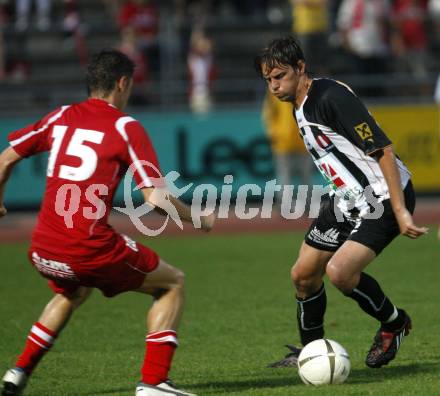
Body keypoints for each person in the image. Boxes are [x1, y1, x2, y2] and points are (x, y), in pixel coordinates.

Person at [0, 49, 214, 396]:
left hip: (42, 247)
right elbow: (156, 199)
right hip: (88, 247)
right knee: (172, 283)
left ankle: (18, 371)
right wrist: (198, 217)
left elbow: (5, 160)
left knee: (71, 292)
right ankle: (154, 383)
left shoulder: (62, 116)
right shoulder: (125, 126)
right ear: (122, 83)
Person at [254, 36, 428, 369]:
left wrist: (400, 210)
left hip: (382, 196)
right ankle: (311, 354)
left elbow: (384, 151)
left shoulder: (330, 97)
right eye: (268, 80)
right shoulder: (298, 102)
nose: (274, 86)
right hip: (348, 200)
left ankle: (394, 324)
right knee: (304, 274)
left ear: (301, 68)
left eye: (280, 77)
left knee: (340, 272)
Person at [262, 90, 313, 207]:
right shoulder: (274, 91)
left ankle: (308, 205)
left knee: (305, 176)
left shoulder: (304, 90)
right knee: (285, 177)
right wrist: (273, 133)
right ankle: (285, 206)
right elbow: (268, 114)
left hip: (302, 142)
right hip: (283, 143)